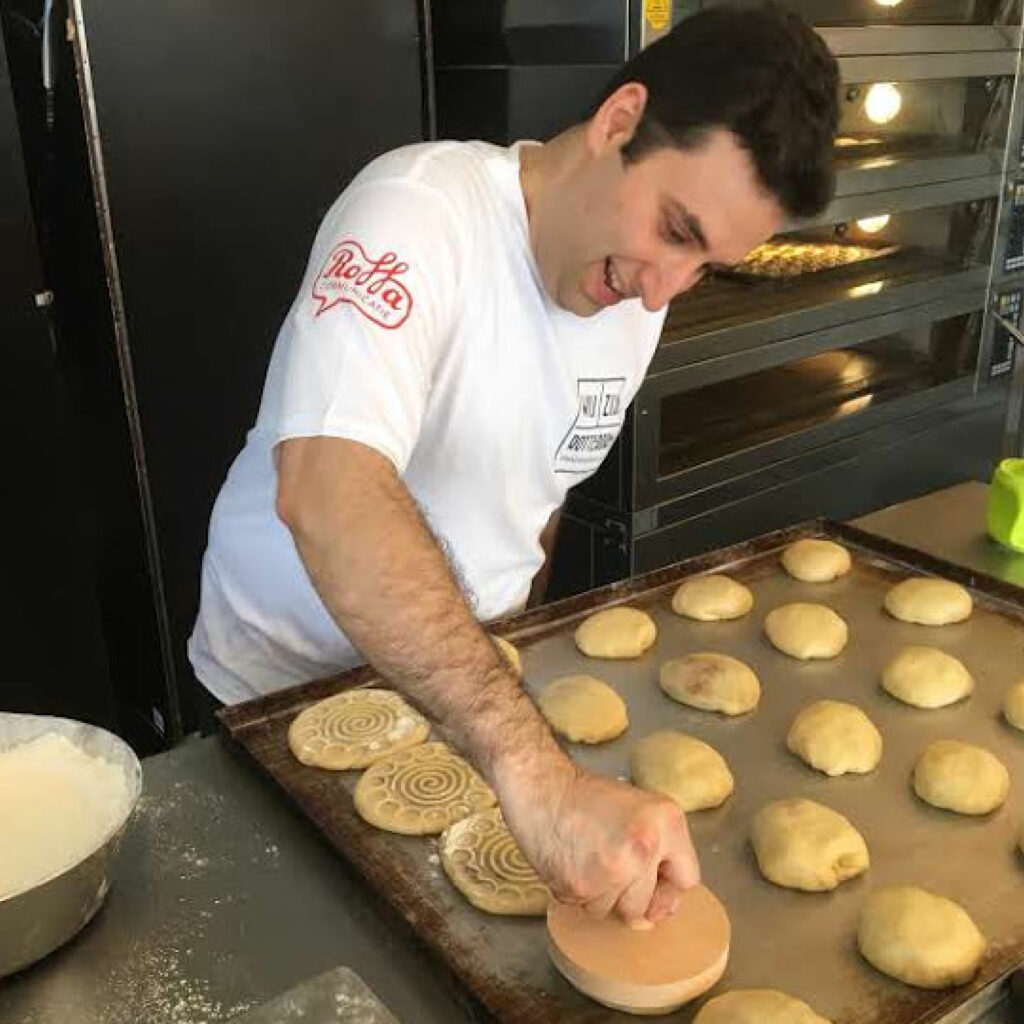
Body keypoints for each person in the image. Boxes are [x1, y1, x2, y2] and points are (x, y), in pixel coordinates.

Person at [189, 4, 839, 925]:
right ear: (620, 121)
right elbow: (326, 491)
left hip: (461, 707)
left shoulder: (637, 291)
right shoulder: (417, 215)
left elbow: (542, 483)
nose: (666, 289)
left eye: (708, 267)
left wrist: (501, 684)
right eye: (677, 229)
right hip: (280, 704)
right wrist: (531, 767)